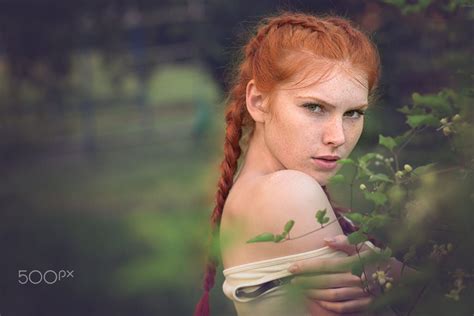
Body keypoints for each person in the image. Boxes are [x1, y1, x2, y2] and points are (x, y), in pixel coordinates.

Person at [195, 12, 410, 316]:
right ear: (258, 101)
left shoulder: (255, 190)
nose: (337, 137)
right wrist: (400, 279)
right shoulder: (287, 191)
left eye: (353, 114)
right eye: (314, 107)